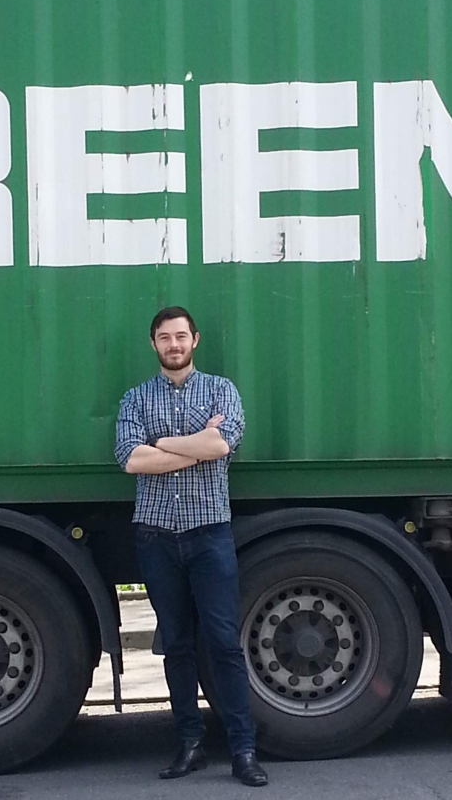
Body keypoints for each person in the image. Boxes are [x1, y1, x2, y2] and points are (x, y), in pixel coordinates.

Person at [114, 306, 268, 788]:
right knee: (176, 645)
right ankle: (190, 745)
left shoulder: (222, 390)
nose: (174, 344)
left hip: (209, 536)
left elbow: (222, 447)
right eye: (165, 337)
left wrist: (164, 441)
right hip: (155, 538)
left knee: (224, 643)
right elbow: (131, 459)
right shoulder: (135, 397)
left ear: (195, 340)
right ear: (153, 345)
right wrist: (193, 441)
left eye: (181, 336)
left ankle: (243, 751)